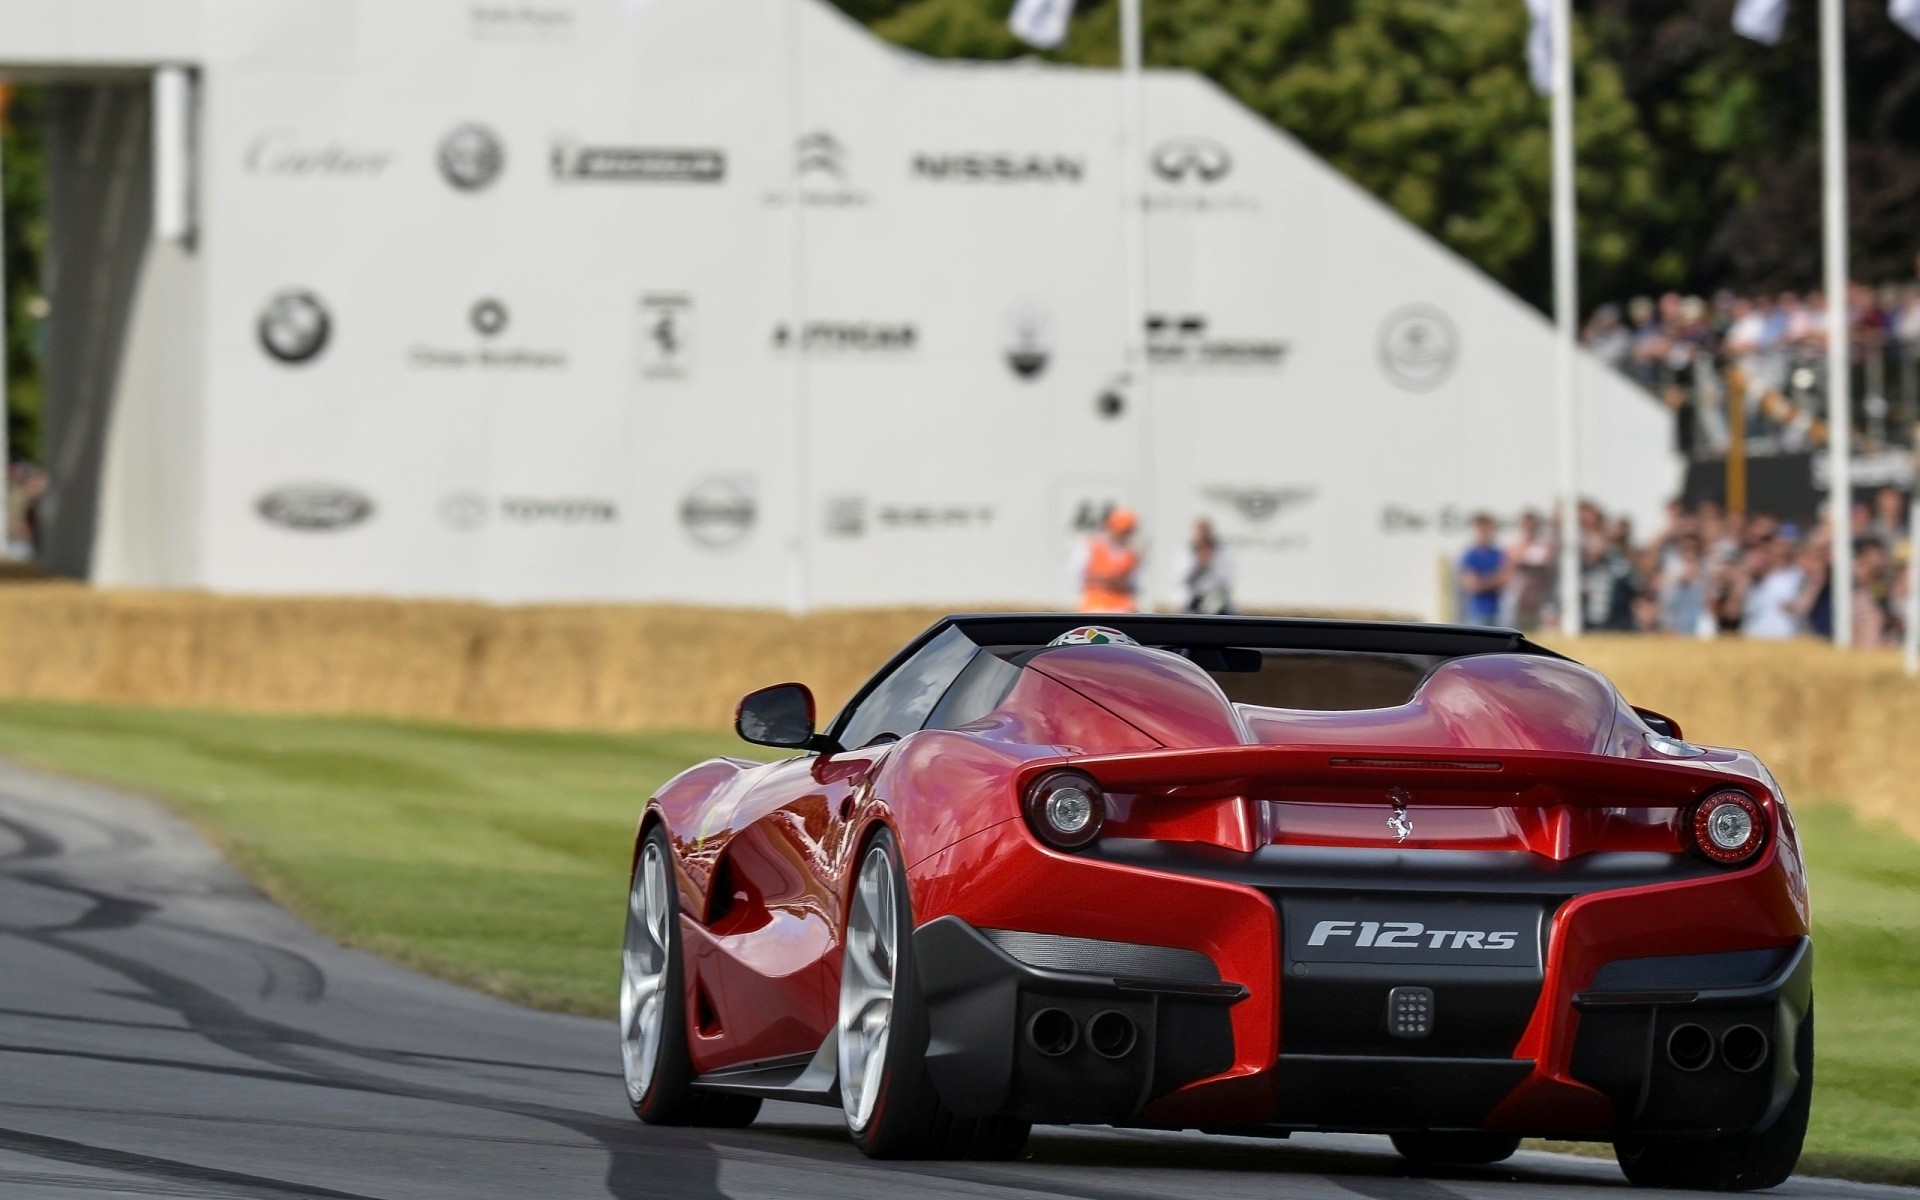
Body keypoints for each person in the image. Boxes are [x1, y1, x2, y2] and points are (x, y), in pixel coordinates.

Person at [1075, 508, 1142, 613]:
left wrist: (1113, 582)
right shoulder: (1091, 547)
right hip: (1094, 602)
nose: (1122, 535)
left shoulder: (1132, 554)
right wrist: (1105, 581)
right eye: (1120, 531)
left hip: (1122, 604)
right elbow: (1077, 578)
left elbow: (1136, 585)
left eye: (1126, 532)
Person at [1457, 514, 1509, 626]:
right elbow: (1472, 585)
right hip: (1476, 613)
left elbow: (1505, 580)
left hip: (1498, 612)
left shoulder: (1498, 554)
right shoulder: (1470, 555)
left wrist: (1482, 581)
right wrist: (1493, 580)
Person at [1180, 519, 1233, 614]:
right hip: (1194, 600)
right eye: (1200, 534)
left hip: (1218, 600)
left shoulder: (1222, 552)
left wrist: (1210, 562)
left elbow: (1226, 580)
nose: (1202, 537)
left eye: (1205, 533)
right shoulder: (1187, 552)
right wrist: (1199, 565)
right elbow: (1182, 579)